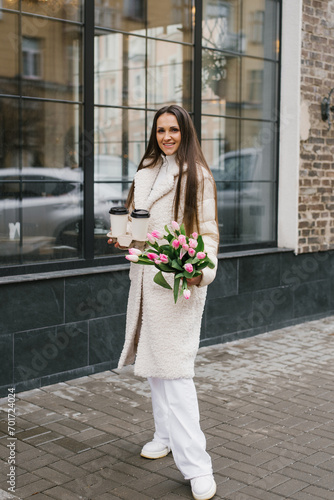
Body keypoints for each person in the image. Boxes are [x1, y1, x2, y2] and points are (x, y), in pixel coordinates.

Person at [112, 104, 219, 500]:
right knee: (155, 368)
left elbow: (207, 233)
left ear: (185, 132)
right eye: (161, 130)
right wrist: (122, 235)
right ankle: (164, 434)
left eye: (174, 129)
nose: (167, 136)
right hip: (144, 281)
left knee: (175, 374)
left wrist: (201, 269)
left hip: (178, 284)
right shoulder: (145, 173)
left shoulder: (198, 177)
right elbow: (136, 227)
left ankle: (198, 467)